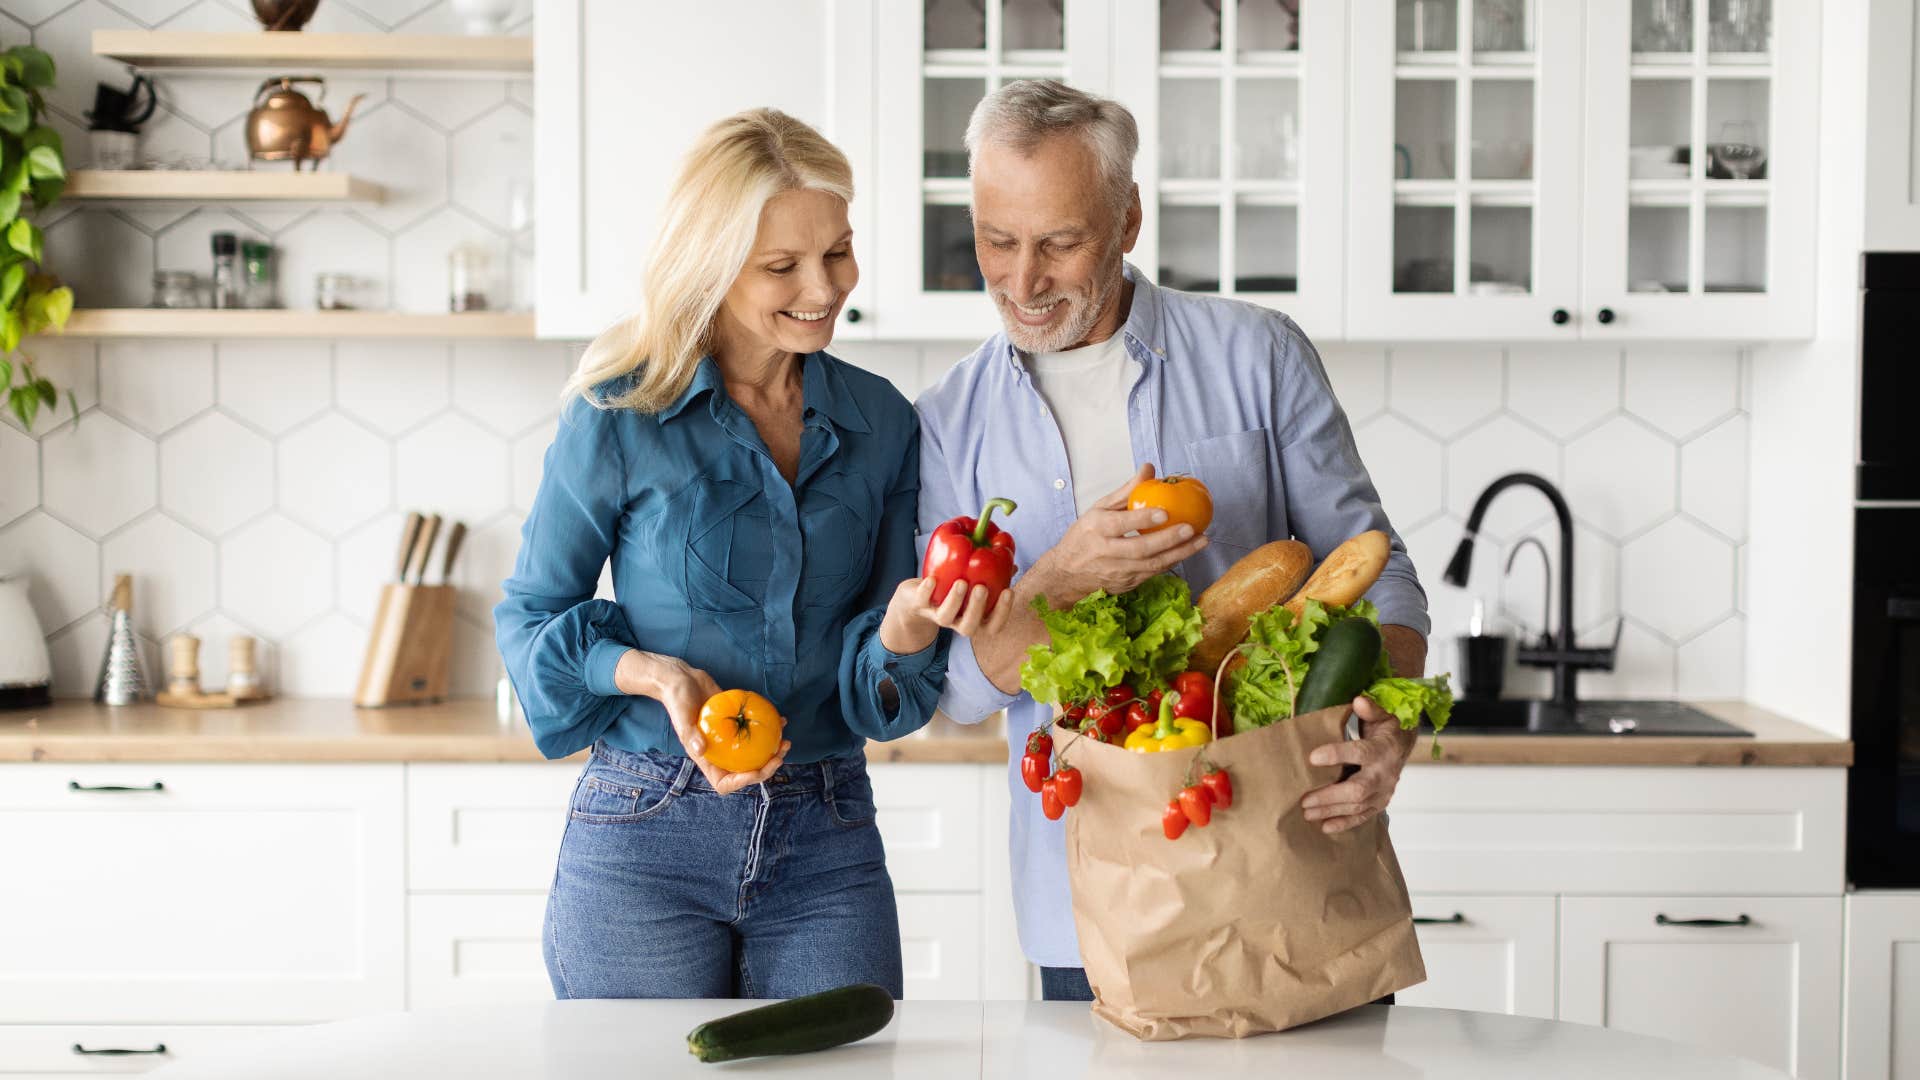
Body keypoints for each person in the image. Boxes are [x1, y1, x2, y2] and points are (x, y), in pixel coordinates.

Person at [914, 80, 1432, 1003]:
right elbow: (954, 687)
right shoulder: (949, 422)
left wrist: (1390, 723)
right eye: (998, 239)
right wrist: (1060, 577)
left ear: (1127, 221)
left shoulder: (1258, 356)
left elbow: (1377, 572)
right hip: (1097, 892)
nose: (1023, 281)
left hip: (1288, 858)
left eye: (1060, 243)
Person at [496, 108, 1010, 1001]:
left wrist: (903, 628)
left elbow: (882, 697)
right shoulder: (619, 414)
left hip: (828, 831)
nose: (824, 285)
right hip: (645, 826)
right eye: (783, 266)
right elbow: (531, 621)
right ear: (714, 265)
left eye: (838, 252)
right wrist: (653, 674)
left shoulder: (882, 421)